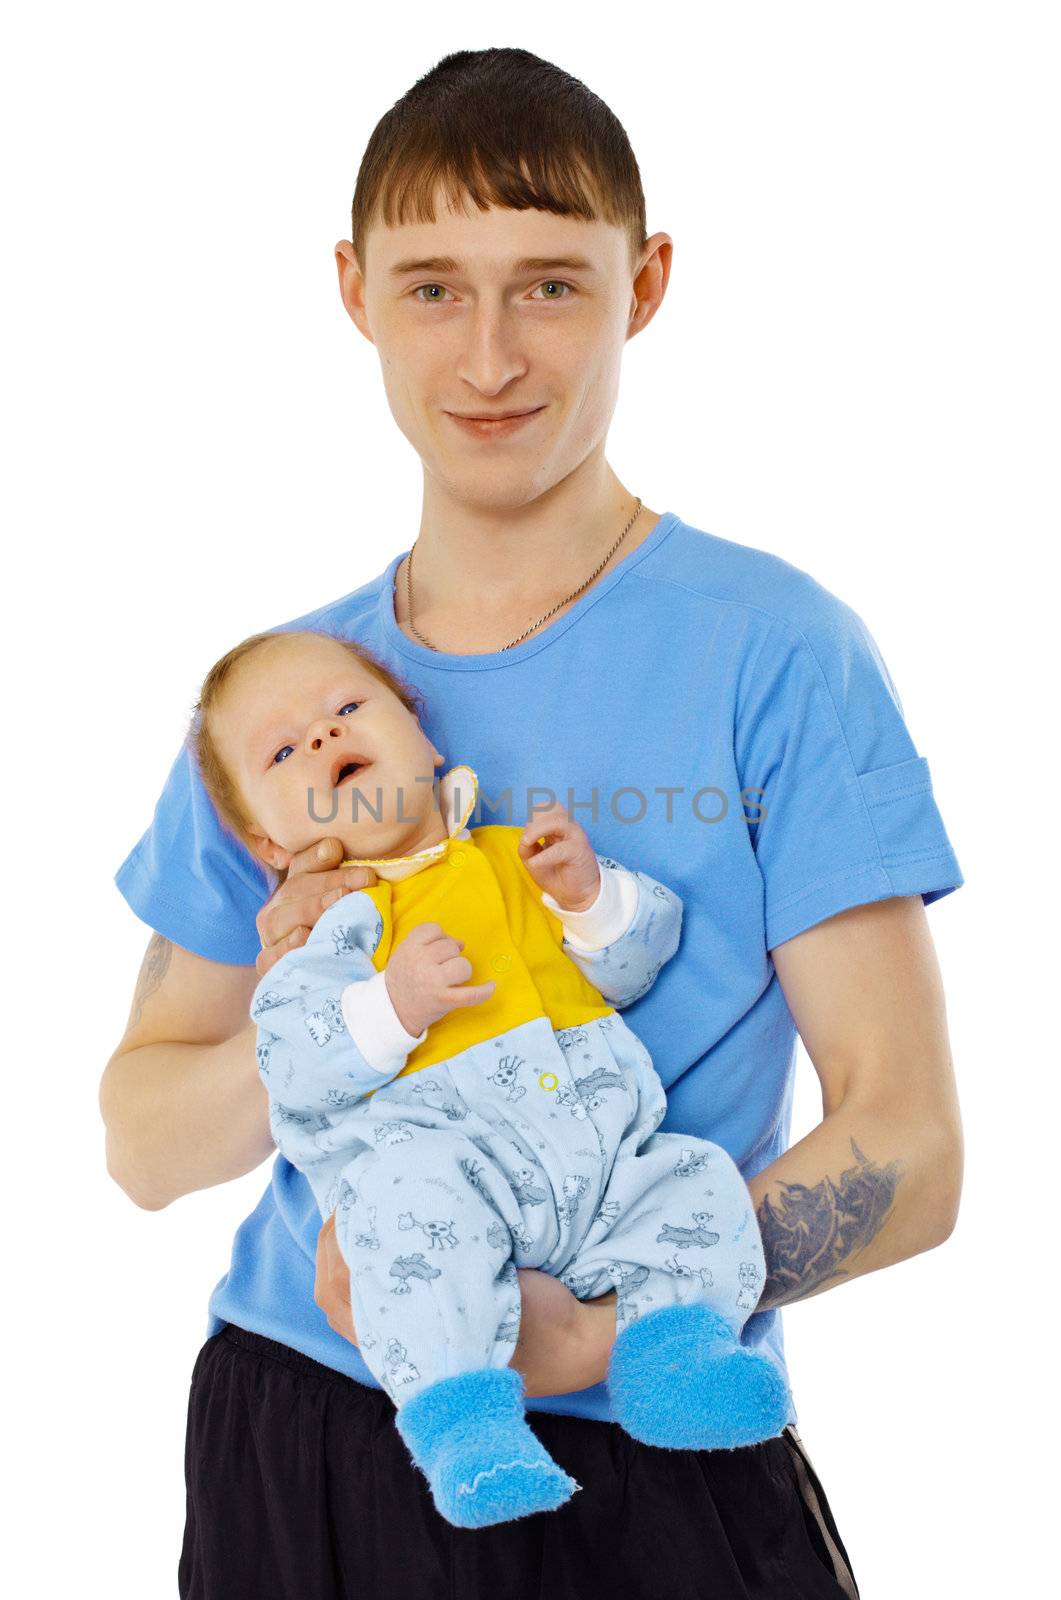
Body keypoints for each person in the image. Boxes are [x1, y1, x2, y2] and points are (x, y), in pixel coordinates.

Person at [100, 44, 965, 1600]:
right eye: (433, 287)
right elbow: (144, 1144)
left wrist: (590, 1330)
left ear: (643, 286)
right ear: (354, 290)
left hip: (649, 1436)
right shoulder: (284, 712)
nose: (488, 355)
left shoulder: (773, 650)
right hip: (301, 1433)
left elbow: (905, 1145)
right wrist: (328, 1005)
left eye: (547, 286)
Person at [188, 624, 791, 1527]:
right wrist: (391, 1004)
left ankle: (676, 1358)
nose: (321, 737)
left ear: (426, 742)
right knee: (401, 1224)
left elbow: (632, 962)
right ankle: (463, 1426)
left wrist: (590, 897)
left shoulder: (517, 858)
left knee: (699, 1180)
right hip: (449, 1174)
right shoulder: (329, 925)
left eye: (347, 710)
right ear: (266, 842)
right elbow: (295, 1062)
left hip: (599, 1165)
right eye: (282, 751)